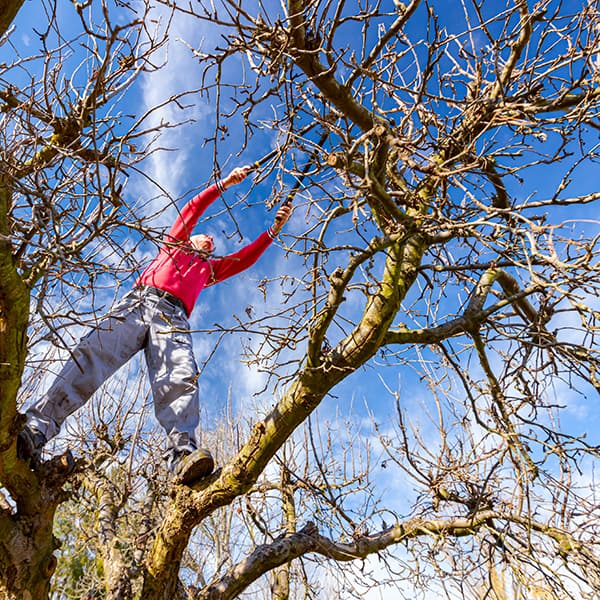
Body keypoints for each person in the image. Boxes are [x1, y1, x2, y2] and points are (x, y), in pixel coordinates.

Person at [17, 166, 292, 485]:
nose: (211, 239)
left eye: (213, 242)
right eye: (205, 235)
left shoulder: (208, 271)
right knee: (92, 354)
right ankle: (36, 429)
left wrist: (273, 230)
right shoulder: (174, 245)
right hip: (139, 302)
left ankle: (181, 453)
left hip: (173, 317)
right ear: (189, 238)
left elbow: (244, 259)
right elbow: (192, 208)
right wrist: (225, 183)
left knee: (179, 375)